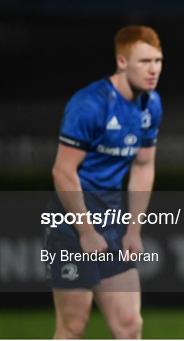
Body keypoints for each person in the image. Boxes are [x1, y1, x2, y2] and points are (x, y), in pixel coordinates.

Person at [45, 25, 163, 338]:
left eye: (158, 61)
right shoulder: (90, 104)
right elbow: (63, 171)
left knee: (129, 324)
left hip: (112, 221)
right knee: (73, 326)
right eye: (144, 62)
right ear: (122, 62)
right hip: (71, 223)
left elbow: (143, 165)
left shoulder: (151, 104)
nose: (153, 70)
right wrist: (84, 230)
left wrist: (133, 229)